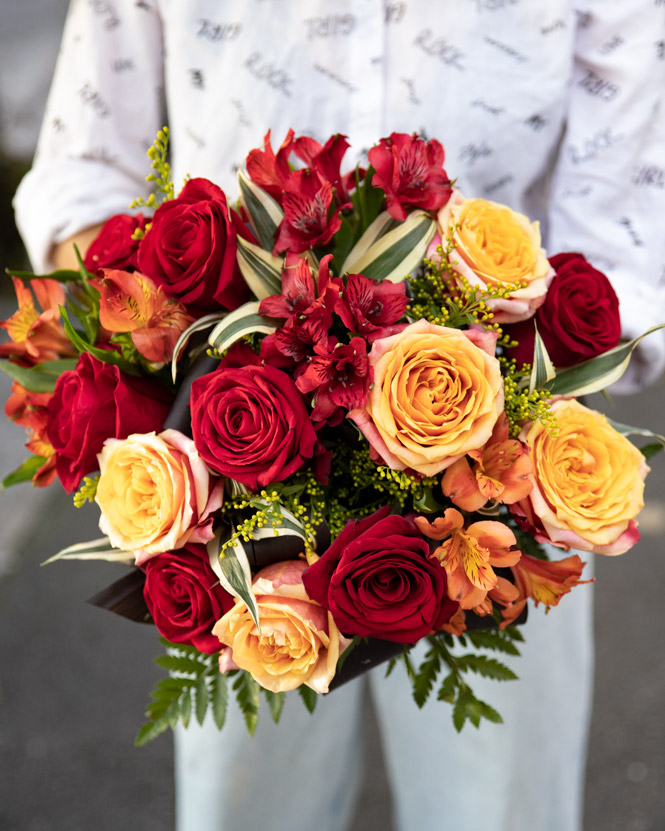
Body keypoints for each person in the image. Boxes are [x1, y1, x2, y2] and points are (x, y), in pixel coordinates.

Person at [13, 2, 665, 830]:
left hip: (509, 481)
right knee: (248, 808)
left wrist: (486, 421)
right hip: (232, 478)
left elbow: (628, 240)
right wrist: (179, 347)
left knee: (499, 808)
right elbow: (82, 173)